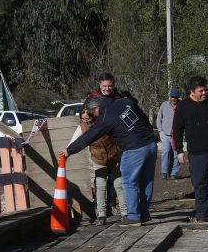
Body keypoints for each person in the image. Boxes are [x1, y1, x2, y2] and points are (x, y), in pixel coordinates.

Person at [61, 95, 157, 226]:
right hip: (150, 144)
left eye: (93, 113)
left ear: (96, 108)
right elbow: (144, 118)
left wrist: (69, 150)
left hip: (133, 149)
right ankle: (144, 214)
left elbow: (89, 136)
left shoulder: (105, 117)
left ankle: (134, 217)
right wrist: (149, 134)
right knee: (147, 181)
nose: (95, 116)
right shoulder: (126, 101)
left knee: (129, 183)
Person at [172, 76, 208, 222]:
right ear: (192, 91)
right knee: (199, 184)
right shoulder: (183, 106)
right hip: (196, 152)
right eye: (201, 91)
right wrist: (179, 150)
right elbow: (177, 129)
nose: (204, 93)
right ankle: (202, 213)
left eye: (205, 89)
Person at [67, 106, 127, 225]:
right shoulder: (82, 127)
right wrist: (67, 152)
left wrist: (120, 155)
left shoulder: (103, 123)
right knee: (100, 186)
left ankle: (125, 212)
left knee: (119, 184)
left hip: (113, 156)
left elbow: (118, 138)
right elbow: (74, 141)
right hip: (98, 158)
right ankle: (101, 214)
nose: (85, 121)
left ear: (93, 117)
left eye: (87, 119)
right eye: (83, 119)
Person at [156, 88, 181, 180]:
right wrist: (160, 130)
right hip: (165, 133)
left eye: (176, 97)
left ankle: (174, 173)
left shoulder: (181, 106)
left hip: (177, 134)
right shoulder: (164, 105)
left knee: (176, 153)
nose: (174, 98)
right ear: (170, 97)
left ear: (178, 97)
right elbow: (159, 117)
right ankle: (164, 172)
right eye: (172, 96)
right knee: (165, 152)